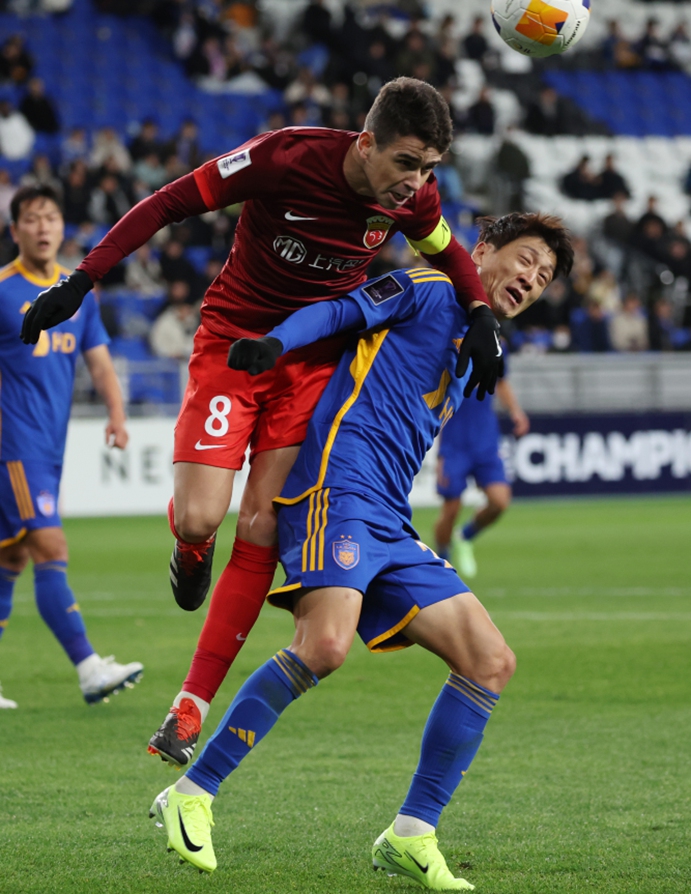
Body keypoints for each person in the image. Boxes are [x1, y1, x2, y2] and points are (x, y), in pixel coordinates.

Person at [20, 78, 504, 764]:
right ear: (365, 144)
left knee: (262, 524)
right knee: (198, 519)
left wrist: (480, 313)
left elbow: (450, 253)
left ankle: (190, 706)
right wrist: (82, 279)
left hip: (309, 363)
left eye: (427, 168)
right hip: (232, 345)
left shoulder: (414, 198)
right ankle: (190, 554)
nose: (415, 183)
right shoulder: (283, 157)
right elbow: (167, 203)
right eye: (404, 163)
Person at [149, 212, 574, 886]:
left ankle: (411, 834)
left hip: (387, 520)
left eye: (543, 278)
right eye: (523, 261)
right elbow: (344, 310)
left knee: (489, 660)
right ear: (480, 252)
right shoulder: (431, 285)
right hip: (334, 488)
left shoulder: (480, 342)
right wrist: (273, 342)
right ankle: (191, 793)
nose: (530, 279)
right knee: (324, 646)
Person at [0, 185, 143, 709]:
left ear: (62, 228)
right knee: (49, 548)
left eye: (51, 218)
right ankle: (88, 668)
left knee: (11, 557)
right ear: (14, 231)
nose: (42, 228)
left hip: (49, 447)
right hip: (14, 444)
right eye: (32, 219)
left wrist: (117, 413)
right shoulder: (1, 290)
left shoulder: (76, 295)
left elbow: (100, 361)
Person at [433, 351, 529, 579]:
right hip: (454, 444)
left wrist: (516, 411)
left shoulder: (495, 346)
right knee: (451, 509)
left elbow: (501, 381)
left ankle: (464, 536)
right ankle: (442, 563)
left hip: (486, 442)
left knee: (500, 501)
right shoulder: (449, 344)